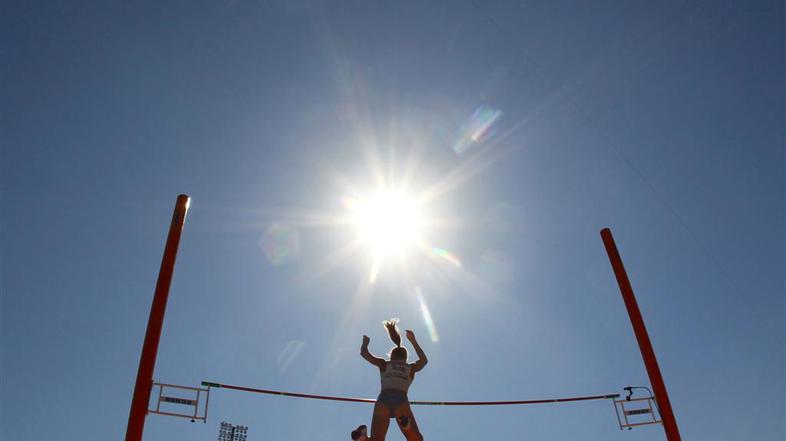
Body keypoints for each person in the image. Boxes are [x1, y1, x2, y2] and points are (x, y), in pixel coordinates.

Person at [355, 318, 427, 441]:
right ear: (405, 358)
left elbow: (364, 353)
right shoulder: (411, 368)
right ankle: (407, 426)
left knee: (377, 439)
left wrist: (365, 343)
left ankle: (363, 438)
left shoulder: (384, 364)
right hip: (400, 400)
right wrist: (413, 341)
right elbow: (424, 361)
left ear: (391, 355)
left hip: (383, 400)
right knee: (416, 439)